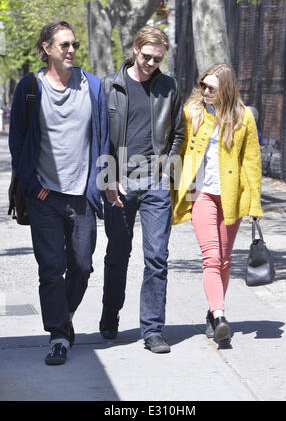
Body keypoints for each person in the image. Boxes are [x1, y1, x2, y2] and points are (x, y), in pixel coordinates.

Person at [9, 21, 109, 365]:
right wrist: (31, 185)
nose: (71, 50)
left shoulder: (92, 86)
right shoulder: (30, 87)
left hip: (82, 195)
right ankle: (58, 336)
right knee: (51, 269)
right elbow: (18, 139)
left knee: (81, 265)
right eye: (64, 45)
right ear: (47, 49)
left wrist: (102, 180)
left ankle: (61, 321)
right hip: (44, 196)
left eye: (74, 45)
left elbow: (104, 136)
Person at [99, 25, 184, 353]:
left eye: (157, 58)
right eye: (146, 56)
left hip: (156, 184)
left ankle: (152, 330)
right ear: (135, 50)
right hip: (118, 182)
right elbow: (100, 136)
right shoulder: (110, 85)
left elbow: (178, 133)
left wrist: (166, 169)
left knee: (157, 257)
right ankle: (110, 315)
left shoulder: (169, 87)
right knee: (118, 254)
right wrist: (108, 179)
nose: (151, 63)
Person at [172, 63, 263, 346]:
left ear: (226, 89)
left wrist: (255, 206)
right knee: (211, 256)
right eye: (202, 85)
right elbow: (177, 146)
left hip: (231, 197)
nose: (205, 91)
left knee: (224, 259)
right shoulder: (192, 113)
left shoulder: (243, 117)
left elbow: (251, 162)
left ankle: (213, 313)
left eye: (211, 87)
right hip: (200, 195)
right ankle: (221, 315)